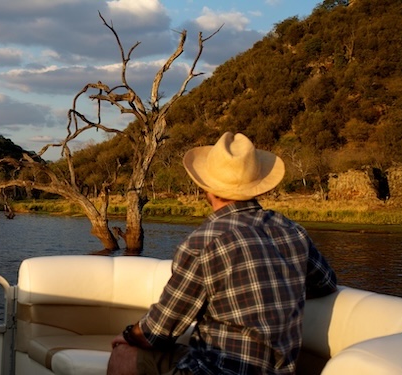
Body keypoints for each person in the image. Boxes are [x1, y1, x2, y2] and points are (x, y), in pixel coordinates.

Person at [107, 132, 337, 375]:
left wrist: (127, 335)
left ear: (208, 189)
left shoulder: (203, 242)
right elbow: (326, 283)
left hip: (215, 370)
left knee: (125, 353)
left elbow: (159, 331)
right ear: (256, 186)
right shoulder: (292, 230)